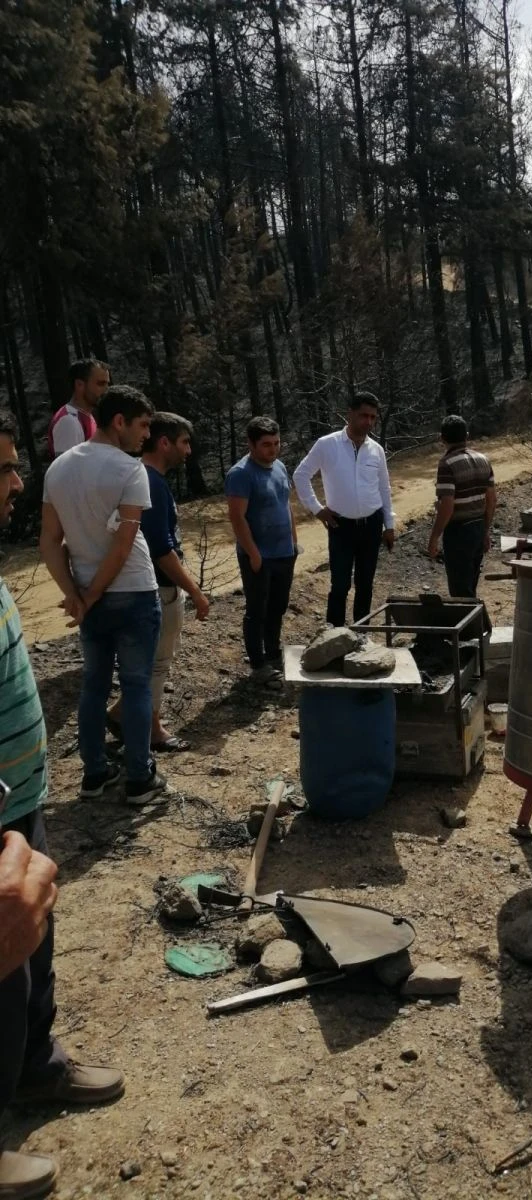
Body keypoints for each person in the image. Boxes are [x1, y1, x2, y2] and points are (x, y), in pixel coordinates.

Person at [1, 415, 124, 1200]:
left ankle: (34, 1070)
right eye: (5, 469)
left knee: (31, 954)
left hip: (23, 801)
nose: (17, 484)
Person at [41, 385, 166, 807]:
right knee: (135, 685)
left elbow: (50, 541)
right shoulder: (130, 470)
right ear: (120, 421)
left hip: (90, 594)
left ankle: (93, 773)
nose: (146, 435)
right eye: (143, 425)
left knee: (93, 686)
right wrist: (88, 595)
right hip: (131, 591)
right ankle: (138, 778)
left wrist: (75, 594)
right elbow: (124, 543)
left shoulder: (57, 469)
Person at [106, 412, 210, 752]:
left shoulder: (143, 478)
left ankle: (123, 713)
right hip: (159, 587)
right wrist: (194, 590)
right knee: (157, 663)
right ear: (164, 442)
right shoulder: (150, 482)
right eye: (183, 442)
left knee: (151, 661)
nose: (188, 451)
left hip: (150, 586)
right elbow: (161, 549)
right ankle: (150, 729)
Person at [293, 392, 395, 627]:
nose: (368, 422)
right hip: (341, 525)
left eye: (372, 417)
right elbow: (301, 474)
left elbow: (384, 488)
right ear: (350, 414)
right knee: (340, 583)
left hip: (371, 523)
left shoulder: (376, 450)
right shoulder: (327, 445)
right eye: (363, 416)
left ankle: (361, 634)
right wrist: (317, 509)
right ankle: (335, 635)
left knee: (365, 582)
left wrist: (389, 525)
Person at [225, 416, 298, 689]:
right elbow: (237, 518)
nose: (273, 449)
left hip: (284, 552)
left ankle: (274, 653)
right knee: (257, 609)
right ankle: (258, 664)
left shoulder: (279, 466)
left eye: (276, 443)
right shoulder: (241, 474)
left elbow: (285, 504)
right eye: (266, 444)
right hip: (258, 556)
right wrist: (253, 553)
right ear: (251, 444)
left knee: (278, 606)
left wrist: (294, 541)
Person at [427, 415, 496, 607]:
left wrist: (434, 537)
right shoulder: (483, 459)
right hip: (478, 526)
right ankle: (474, 628)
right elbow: (491, 500)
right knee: (470, 585)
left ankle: (469, 632)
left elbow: (447, 505)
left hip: (458, 532)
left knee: (460, 591)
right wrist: (486, 530)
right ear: (466, 435)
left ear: (442, 438)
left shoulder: (447, 464)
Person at [47, 358, 111, 458]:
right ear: (79, 385)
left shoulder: (86, 416)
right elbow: (68, 470)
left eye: (107, 384)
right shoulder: (69, 421)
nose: (106, 390)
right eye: (100, 384)